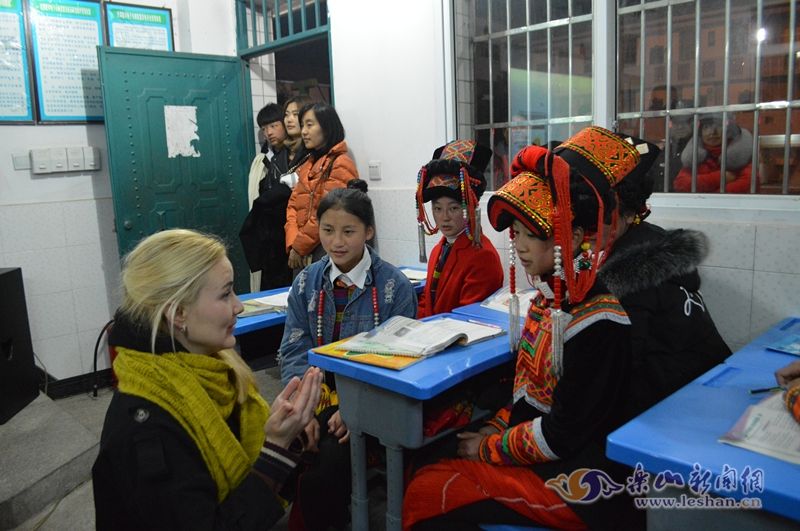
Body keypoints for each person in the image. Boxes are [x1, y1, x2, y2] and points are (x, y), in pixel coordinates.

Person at [402, 126, 666, 530]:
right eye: (517, 234)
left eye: (533, 235)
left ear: (572, 237)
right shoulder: (548, 301)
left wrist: (488, 447)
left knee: (430, 489)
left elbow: (563, 434)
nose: (520, 246)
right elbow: (528, 397)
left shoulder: (600, 321)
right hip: (544, 449)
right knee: (428, 459)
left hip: (579, 477)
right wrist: (492, 429)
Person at [92, 229, 324, 530]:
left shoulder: (217, 373)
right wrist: (275, 448)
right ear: (178, 314)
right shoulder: (147, 430)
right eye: (226, 294)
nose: (239, 306)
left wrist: (288, 437)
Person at [278, 181, 416, 530]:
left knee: (324, 467)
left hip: (371, 400)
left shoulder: (394, 287)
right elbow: (294, 347)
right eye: (327, 230)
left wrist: (355, 409)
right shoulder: (305, 282)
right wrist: (302, 407)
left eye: (348, 231)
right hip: (314, 394)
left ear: (369, 231)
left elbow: (398, 360)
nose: (337, 242)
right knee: (273, 447)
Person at [598, 135, 731, 416]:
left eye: (600, 214)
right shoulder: (652, 239)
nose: (589, 226)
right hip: (714, 377)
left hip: (677, 400)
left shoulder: (631, 268)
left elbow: (623, 362)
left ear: (625, 212)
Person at [415, 139, 503, 318]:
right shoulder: (438, 250)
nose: (444, 217)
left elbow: (469, 317)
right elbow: (426, 301)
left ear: (471, 208)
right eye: (437, 209)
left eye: (454, 208)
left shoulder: (482, 257)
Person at [285, 102, 358, 274]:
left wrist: (300, 246)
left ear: (327, 127)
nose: (303, 131)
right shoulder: (307, 164)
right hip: (303, 251)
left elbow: (328, 212)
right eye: (302, 125)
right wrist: (294, 242)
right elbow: (293, 207)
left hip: (326, 250)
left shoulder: (341, 163)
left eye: (309, 125)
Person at [240, 103, 294, 291]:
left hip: (287, 232)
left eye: (273, 126)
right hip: (269, 235)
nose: (268, 132)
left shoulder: (294, 156)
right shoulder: (264, 159)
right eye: (264, 128)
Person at [673, 113, 756, 193]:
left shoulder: (740, 156)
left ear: (729, 131)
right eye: (706, 127)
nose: (712, 132)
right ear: (700, 133)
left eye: (719, 126)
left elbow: (750, 182)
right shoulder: (694, 158)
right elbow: (680, 184)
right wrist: (721, 177)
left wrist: (706, 195)